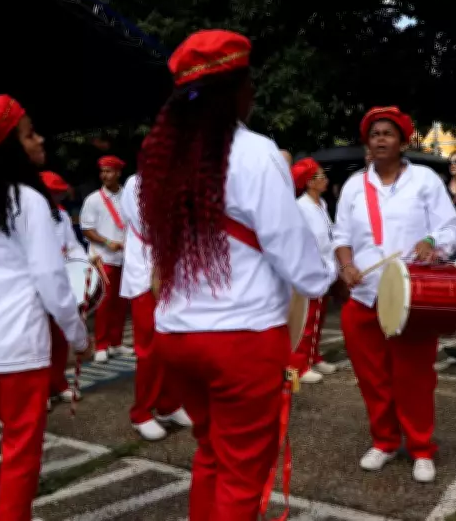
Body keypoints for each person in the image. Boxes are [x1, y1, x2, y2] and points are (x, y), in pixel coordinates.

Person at [138, 30, 335, 519]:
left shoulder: (164, 158)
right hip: (240, 341)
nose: (253, 93)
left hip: (176, 335)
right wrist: (327, 274)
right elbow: (299, 262)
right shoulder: (255, 151)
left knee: (211, 454)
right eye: (248, 83)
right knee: (243, 473)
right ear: (236, 91)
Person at [0, 95, 88, 521]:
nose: (39, 139)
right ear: (11, 147)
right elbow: (51, 277)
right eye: (29, 134)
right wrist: (78, 333)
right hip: (16, 344)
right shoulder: (28, 200)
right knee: (22, 448)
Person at [333, 106, 456, 483]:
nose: (380, 139)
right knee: (372, 377)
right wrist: (346, 265)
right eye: (375, 134)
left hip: (411, 296)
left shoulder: (424, 180)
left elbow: (450, 227)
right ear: (367, 143)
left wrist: (431, 241)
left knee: (415, 376)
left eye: (388, 133)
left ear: (403, 142)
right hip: (364, 295)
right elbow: (341, 236)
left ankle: (421, 448)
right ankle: (384, 441)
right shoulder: (354, 185)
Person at [119, 172, 191, 441]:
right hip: (146, 273)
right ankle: (141, 412)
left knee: (173, 342)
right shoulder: (138, 182)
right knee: (149, 347)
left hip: (171, 270)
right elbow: (151, 227)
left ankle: (168, 403)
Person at [40, 170, 88, 404]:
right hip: (36, 285)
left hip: (61, 280)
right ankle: (41, 391)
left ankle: (58, 382)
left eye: (59, 194)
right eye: (53, 193)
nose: (57, 198)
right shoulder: (26, 217)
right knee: (40, 341)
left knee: (60, 338)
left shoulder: (61, 215)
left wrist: (82, 264)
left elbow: (72, 244)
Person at [290, 157, 338, 384]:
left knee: (318, 318)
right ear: (309, 182)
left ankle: (313, 357)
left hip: (326, 269)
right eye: (321, 176)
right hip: (311, 271)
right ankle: (298, 366)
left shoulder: (321, 204)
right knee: (306, 320)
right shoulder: (301, 207)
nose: (326, 179)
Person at [80, 155, 131, 363]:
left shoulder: (128, 196)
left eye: (109, 171)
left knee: (121, 301)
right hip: (103, 257)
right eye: (102, 171)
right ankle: (101, 345)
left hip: (125, 257)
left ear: (118, 173)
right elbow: (87, 229)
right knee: (105, 302)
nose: (104, 175)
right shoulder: (93, 199)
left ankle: (116, 343)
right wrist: (108, 242)